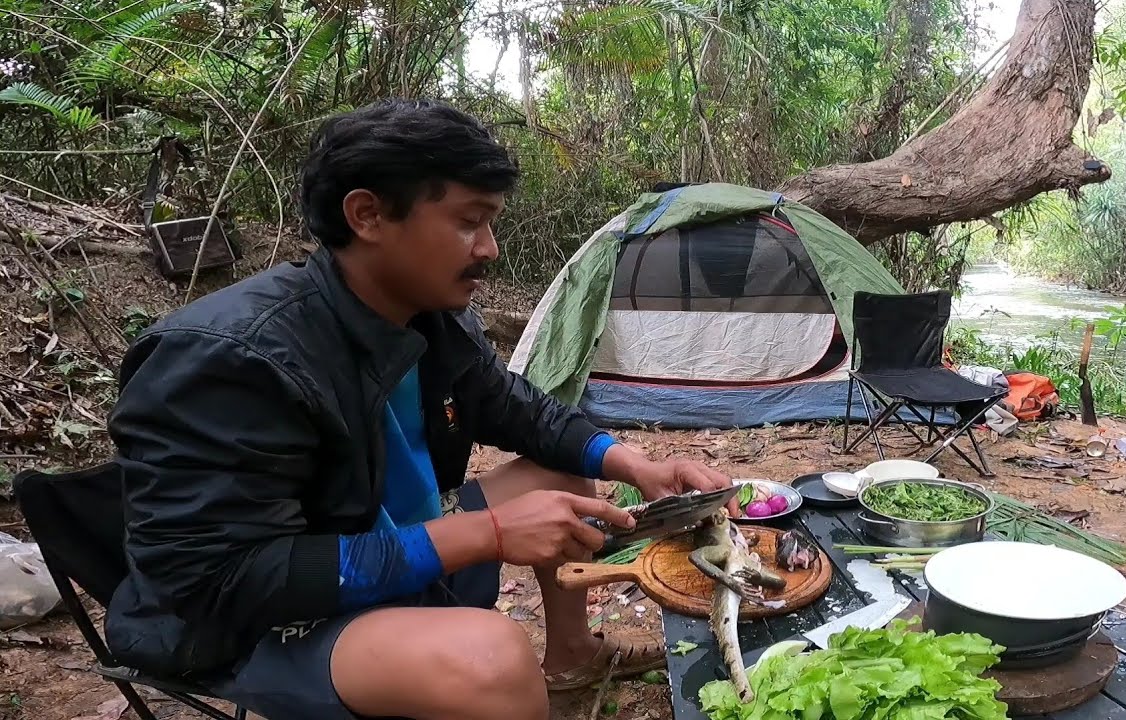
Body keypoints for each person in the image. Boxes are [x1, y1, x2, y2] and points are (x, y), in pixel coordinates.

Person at [103, 98, 734, 720]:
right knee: (491, 661)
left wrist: (636, 464)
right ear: (368, 215)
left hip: (392, 549)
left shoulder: (432, 319)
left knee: (563, 475)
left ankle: (572, 658)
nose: (488, 247)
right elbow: (221, 579)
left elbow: (517, 411)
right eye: (469, 221)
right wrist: (484, 534)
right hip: (260, 623)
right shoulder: (231, 359)